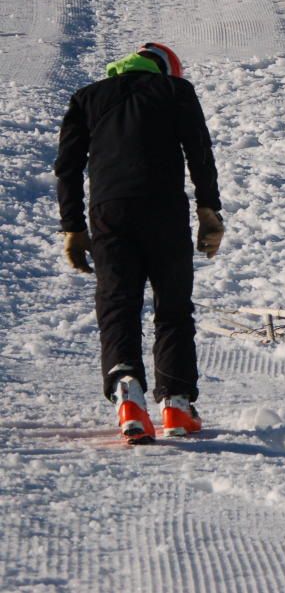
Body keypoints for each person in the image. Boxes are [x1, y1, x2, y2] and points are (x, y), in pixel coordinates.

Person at [54, 42, 225, 443]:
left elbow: (68, 166)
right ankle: (177, 405)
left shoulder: (87, 98)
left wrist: (73, 227)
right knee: (173, 306)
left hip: (109, 213)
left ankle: (128, 396)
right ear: (165, 70)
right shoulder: (176, 92)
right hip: (165, 209)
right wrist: (208, 211)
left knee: (117, 303)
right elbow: (200, 152)